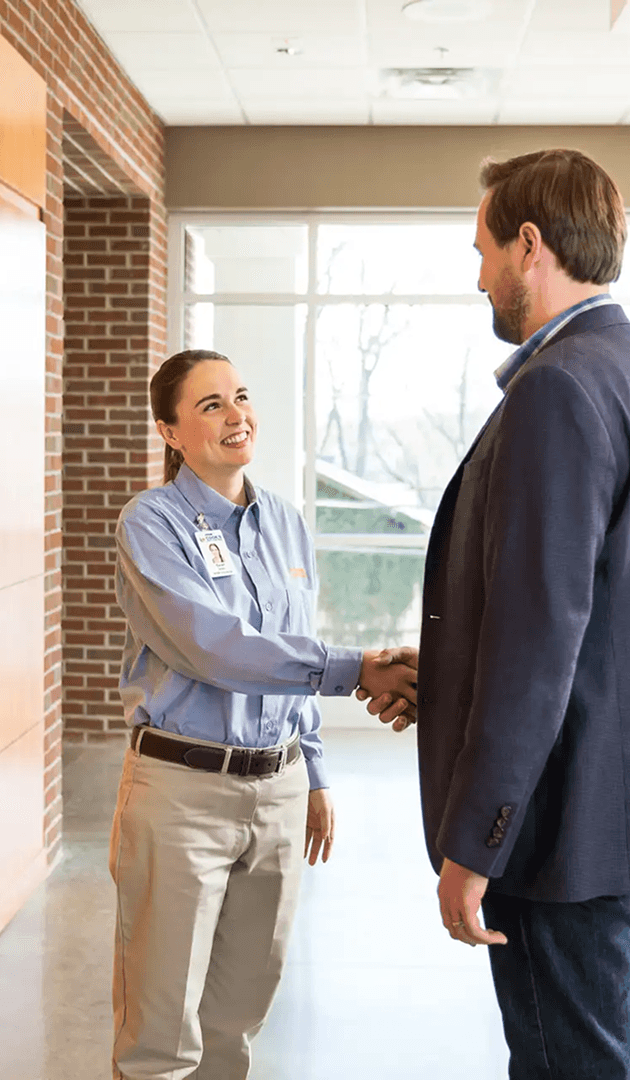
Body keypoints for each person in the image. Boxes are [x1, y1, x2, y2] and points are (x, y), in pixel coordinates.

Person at [364, 149, 630, 1078]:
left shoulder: (558, 389)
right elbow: (605, 614)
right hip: (626, 802)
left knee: (569, 1064)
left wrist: (477, 841)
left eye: (480, 250)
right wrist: (440, 682)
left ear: (531, 245)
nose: (476, 274)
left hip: (561, 821)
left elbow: (540, 642)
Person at [111, 348, 418, 1080]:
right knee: (161, 1035)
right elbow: (214, 646)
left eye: (240, 396)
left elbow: (288, 647)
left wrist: (312, 773)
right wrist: (357, 670)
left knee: (237, 1020)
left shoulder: (283, 519)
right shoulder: (151, 524)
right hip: (182, 794)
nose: (235, 414)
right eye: (210, 404)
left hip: (277, 792)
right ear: (170, 431)